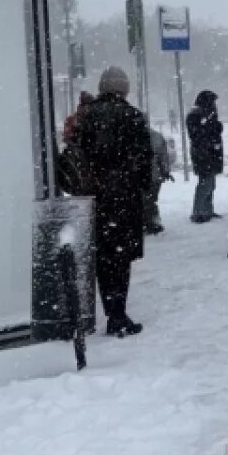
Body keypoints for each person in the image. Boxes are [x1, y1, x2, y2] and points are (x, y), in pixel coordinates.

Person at [72, 66, 153, 337]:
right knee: (121, 258)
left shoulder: (87, 116)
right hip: (124, 197)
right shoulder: (133, 116)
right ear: (124, 89)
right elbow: (144, 161)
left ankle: (105, 310)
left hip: (95, 197)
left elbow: (76, 155)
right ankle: (117, 314)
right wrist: (139, 187)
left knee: (103, 256)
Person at [187, 90, 224, 223]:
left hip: (210, 154)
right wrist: (213, 126)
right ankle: (198, 212)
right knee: (205, 184)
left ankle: (207, 210)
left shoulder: (208, 114)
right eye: (213, 101)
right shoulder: (196, 115)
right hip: (203, 155)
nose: (214, 104)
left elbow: (212, 131)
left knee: (211, 184)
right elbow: (197, 135)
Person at [145, 127, 173, 234]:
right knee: (150, 200)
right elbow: (163, 156)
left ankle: (149, 222)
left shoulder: (128, 135)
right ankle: (152, 222)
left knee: (147, 200)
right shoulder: (156, 136)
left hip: (147, 175)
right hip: (153, 174)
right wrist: (165, 171)